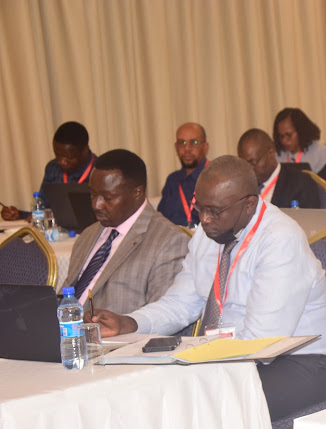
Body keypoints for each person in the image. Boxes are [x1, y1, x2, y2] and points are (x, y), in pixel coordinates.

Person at [92, 155, 326, 420]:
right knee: (150, 395)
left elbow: (263, 342)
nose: (205, 219)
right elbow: (180, 303)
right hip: (229, 356)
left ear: (249, 204)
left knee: (208, 409)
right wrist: (130, 323)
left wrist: (199, 356)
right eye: (199, 208)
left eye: (214, 211)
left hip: (301, 361)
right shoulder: (208, 233)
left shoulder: (279, 239)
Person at [63, 149, 189, 314]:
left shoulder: (169, 241)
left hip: (115, 337)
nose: (96, 205)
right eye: (93, 195)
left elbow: (163, 316)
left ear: (137, 192)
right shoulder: (88, 235)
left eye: (108, 197)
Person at [2, 121, 95, 221]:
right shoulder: (52, 168)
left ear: (85, 149)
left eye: (69, 157)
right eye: (57, 155)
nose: (62, 162)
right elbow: (42, 211)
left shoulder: (100, 171)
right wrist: (19, 215)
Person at [237, 128, 320, 208]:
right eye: (244, 164)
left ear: (271, 153)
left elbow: (310, 220)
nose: (249, 169)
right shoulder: (243, 189)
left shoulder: (300, 183)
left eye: (253, 162)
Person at [157, 123, 210, 227]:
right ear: (176, 147)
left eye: (194, 142)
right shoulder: (172, 180)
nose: (187, 148)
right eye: (182, 143)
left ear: (205, 147)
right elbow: (160, 220)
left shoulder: (216, 177)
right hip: (173, 240)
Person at [273, 108, 326, 173]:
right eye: (281, 136)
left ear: (301, 131)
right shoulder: (278, 156)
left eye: (288, 135)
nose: (284, 141)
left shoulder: (321, 153)